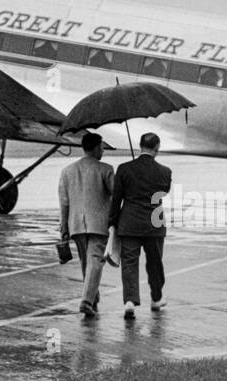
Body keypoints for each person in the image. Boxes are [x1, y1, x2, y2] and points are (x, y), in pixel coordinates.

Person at [106, 132, 173, 319]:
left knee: (129, 263)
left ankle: (130, 301)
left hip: (129, 222)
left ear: (140, 145)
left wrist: (111, 221)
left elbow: (116, 198)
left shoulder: (124, 169)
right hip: (155, 222)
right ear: (157, 148)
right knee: (155, 262)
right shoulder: (165, 171)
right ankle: (156, 298)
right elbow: (164, 192)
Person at [58, 132, 114, 318]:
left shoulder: (67, 171)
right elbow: (115, 194)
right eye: (102, 147)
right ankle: (87, 301)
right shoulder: (106, 169)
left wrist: (63, 228)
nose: (103, 150)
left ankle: (92, 297)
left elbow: (64, 202)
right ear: (97, 147)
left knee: (86, 262)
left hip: (75, 224)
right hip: (98, 223)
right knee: (96, 261)